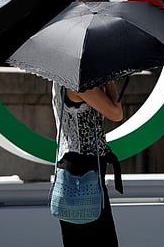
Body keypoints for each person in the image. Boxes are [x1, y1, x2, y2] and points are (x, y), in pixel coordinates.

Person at [52, 81, 124, 247]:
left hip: (73, 167)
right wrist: (111, 83)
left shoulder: (60, 79)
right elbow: (116, 113)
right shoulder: (80, 84)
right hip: (82, 171)